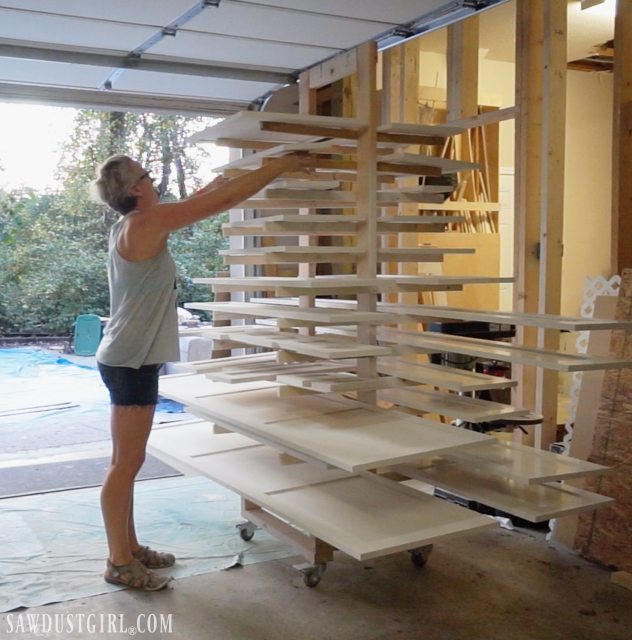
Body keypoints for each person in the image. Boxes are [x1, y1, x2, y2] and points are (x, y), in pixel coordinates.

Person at [89, 152, 306, 591]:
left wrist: (225, 178)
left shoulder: (133, 224)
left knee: (125, 462)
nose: (154, 183)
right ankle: (118, 562)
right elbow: (221, 203)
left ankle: (128, 549)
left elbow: (206, 198)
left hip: (125, 355)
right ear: (135, 189)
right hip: (131, 359)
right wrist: (284, 163)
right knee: (125, 464)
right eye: (148, 177)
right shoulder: (144, 224)